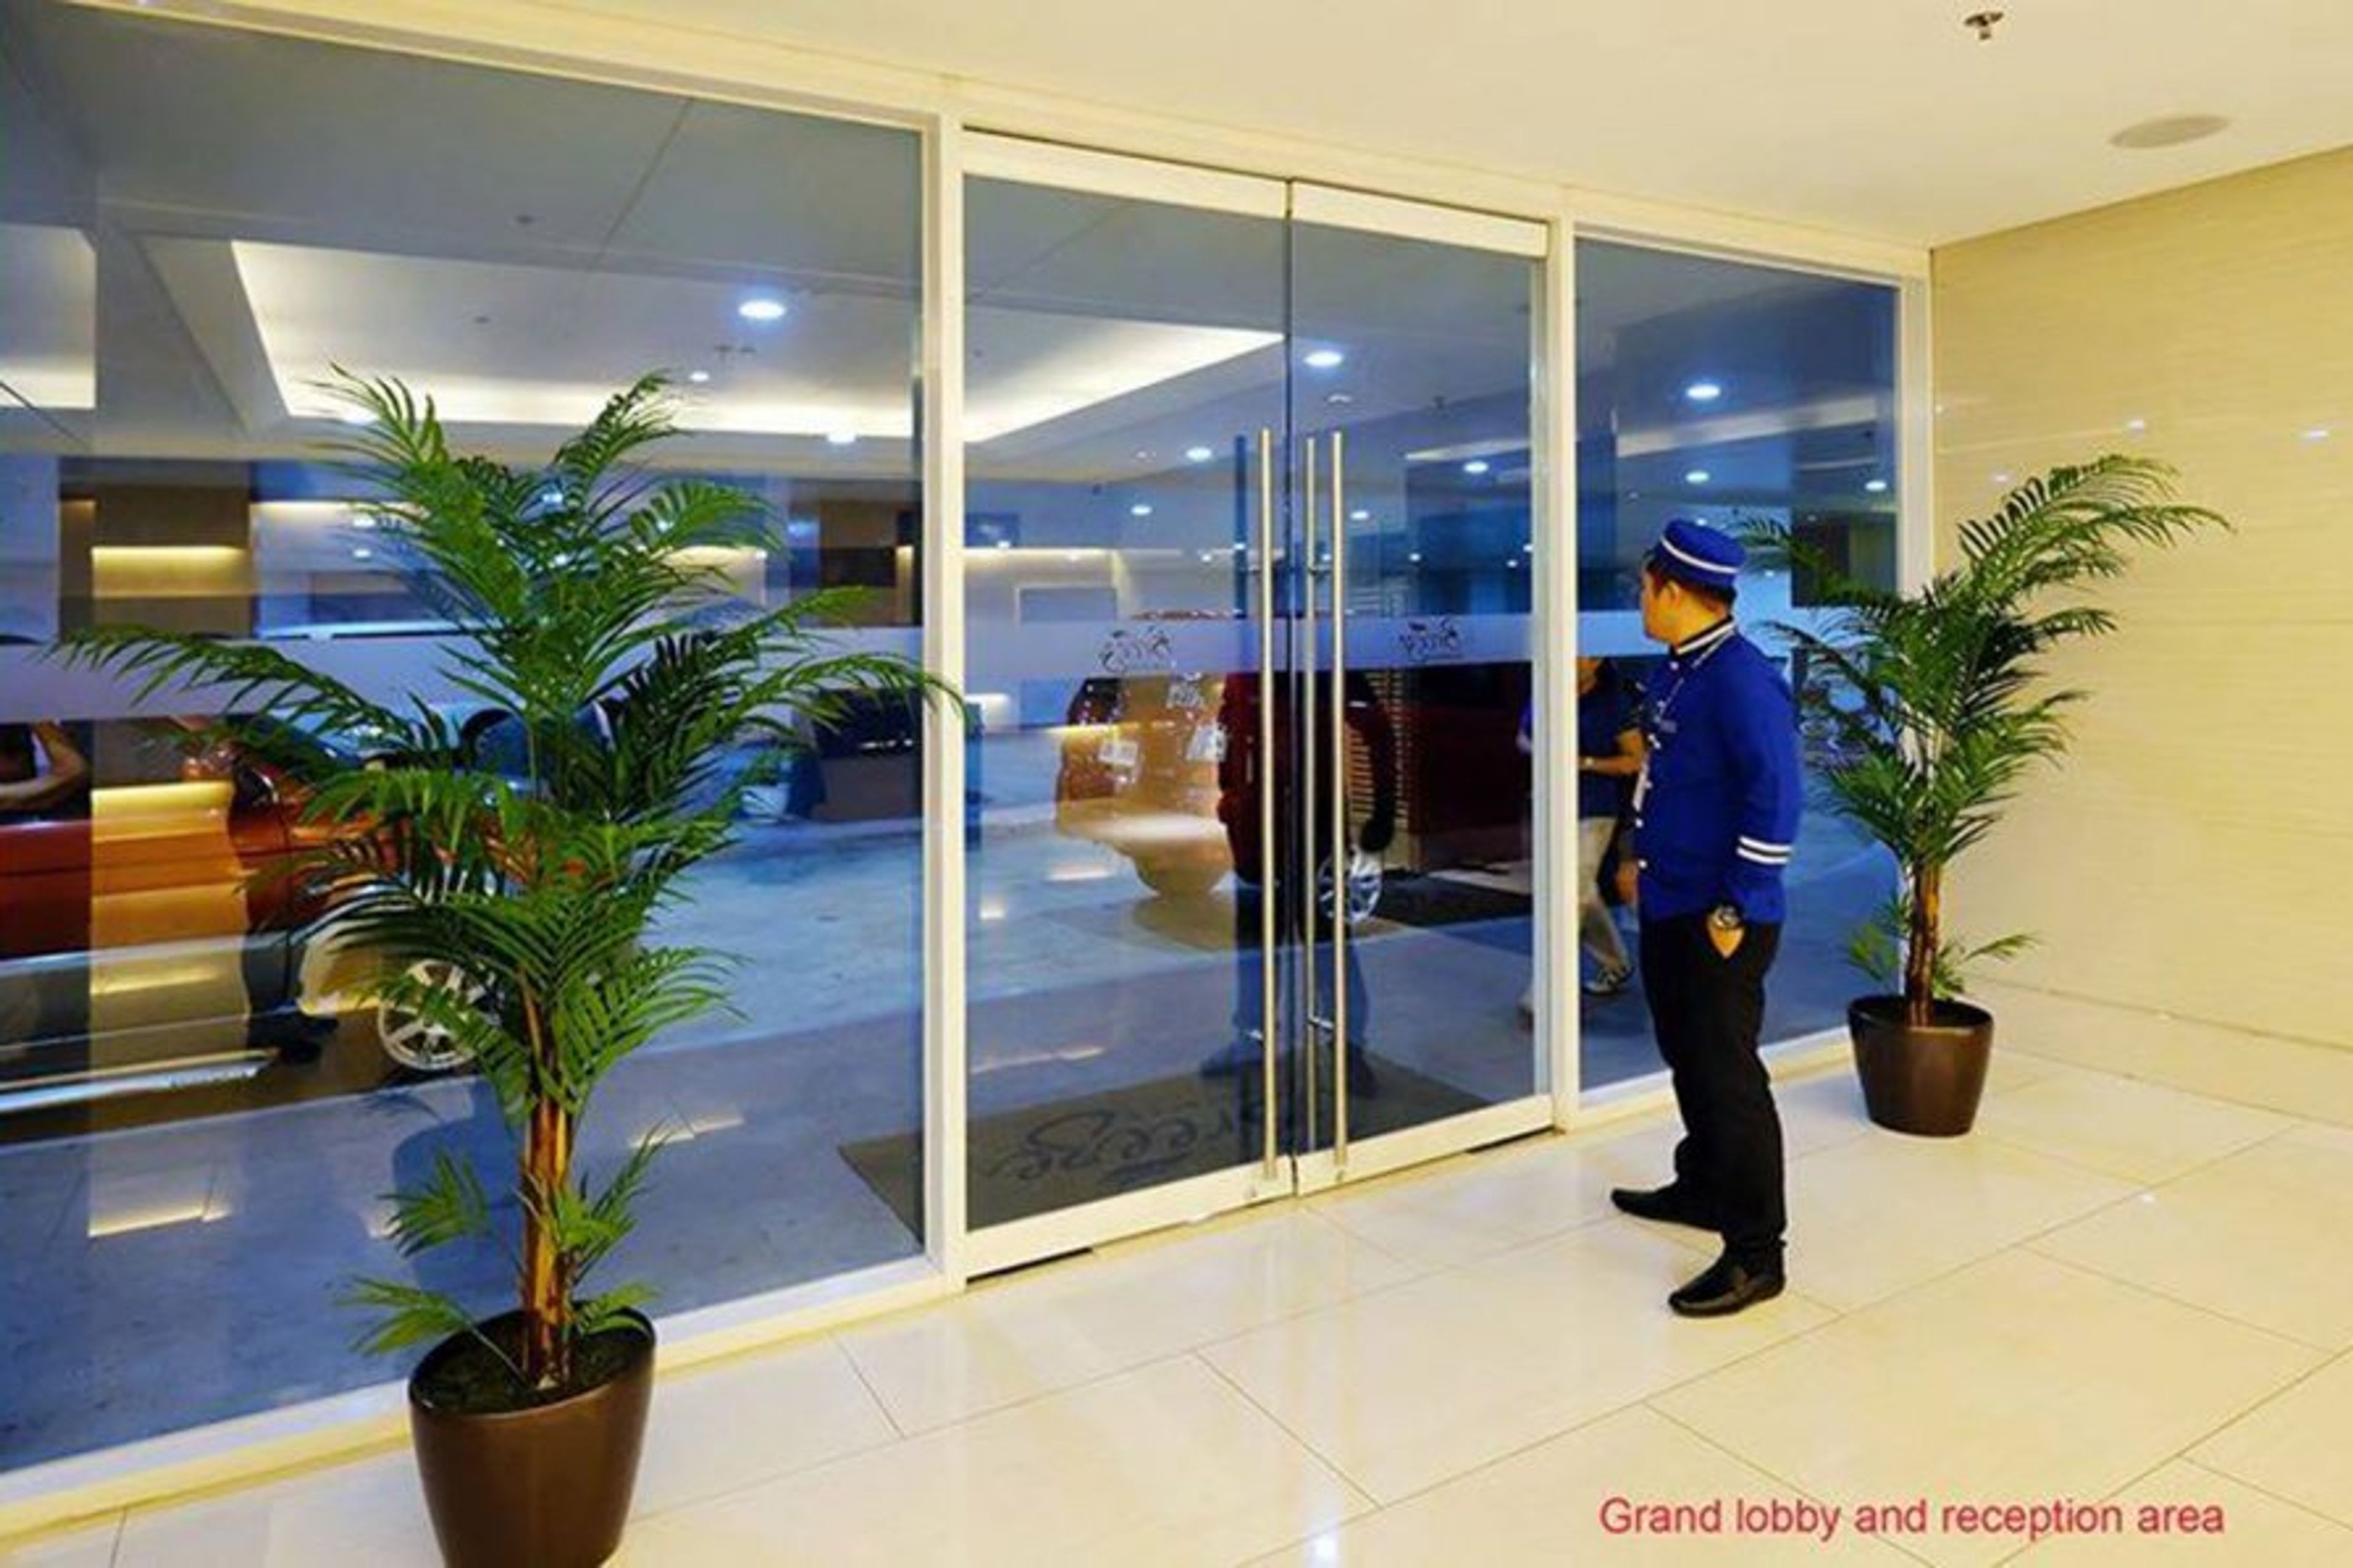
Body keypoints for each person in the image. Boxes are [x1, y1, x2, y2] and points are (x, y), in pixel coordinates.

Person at [1608, 518, 1803, 1319]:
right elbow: (1662, 778)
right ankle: (1703, 1186)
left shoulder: (1742, 681)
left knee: (1729, 1077)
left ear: (1673, 590)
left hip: (1720, 914)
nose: (1639, 600)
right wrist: (1638, 855)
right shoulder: (1679, 670)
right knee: (1687, 1055)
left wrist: (1736, 904)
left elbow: (1777, 800)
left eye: (1644, 588)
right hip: (1670, 897)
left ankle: (1757, 1253)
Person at [1200, 667, 1396, 1100]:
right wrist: (1230, 797)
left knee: (1329, 943)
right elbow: (1227, 734)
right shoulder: (1246, 671)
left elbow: (1378, 731)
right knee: (1256, 943)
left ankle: (1349, 1047)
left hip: (1315, 830)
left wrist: (1383, 810)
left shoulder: (1324, 664)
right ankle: (1251, 1039)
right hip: (1256, 832)